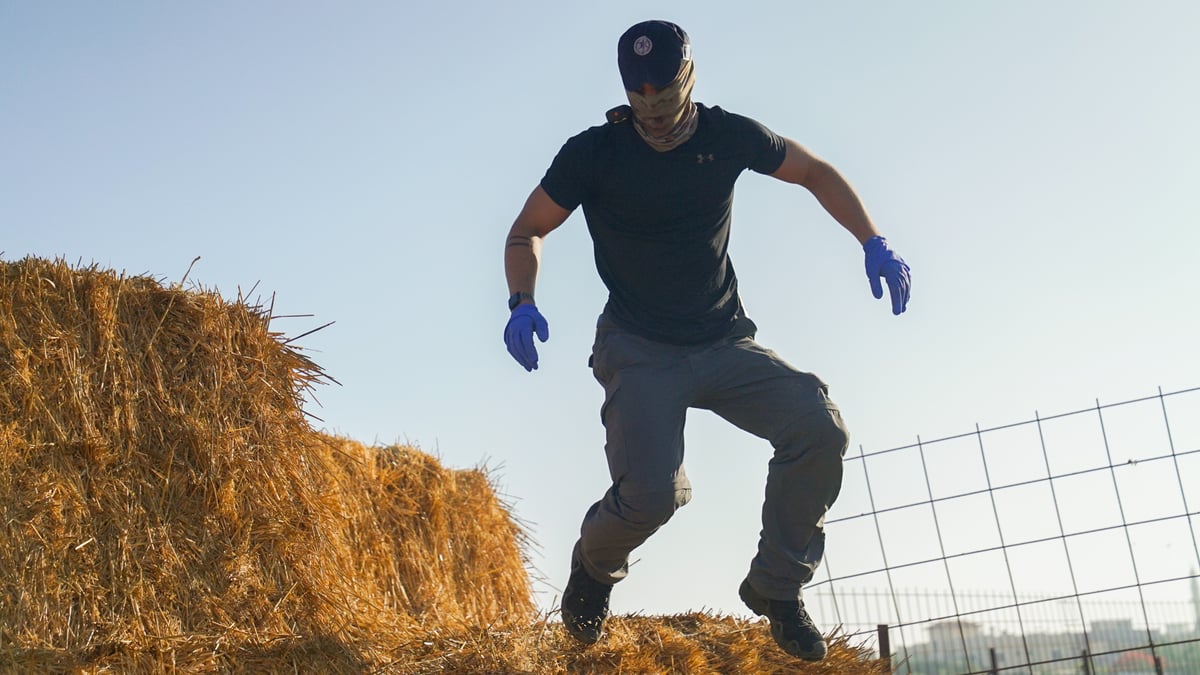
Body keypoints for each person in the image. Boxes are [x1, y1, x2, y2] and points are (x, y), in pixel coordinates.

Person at [502, 19, 910, 662]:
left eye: (664, 100)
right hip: (638, 346)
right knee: (652, 498)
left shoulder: (729, 136)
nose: (653, 115)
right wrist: (521, 302)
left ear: (687, 81)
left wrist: (873, 241)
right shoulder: (592, 154)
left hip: (724, 340)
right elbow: (526, 231)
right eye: (639, 102)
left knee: (818, 426)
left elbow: (815, 171)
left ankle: (776, 588)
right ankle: (594, 567)